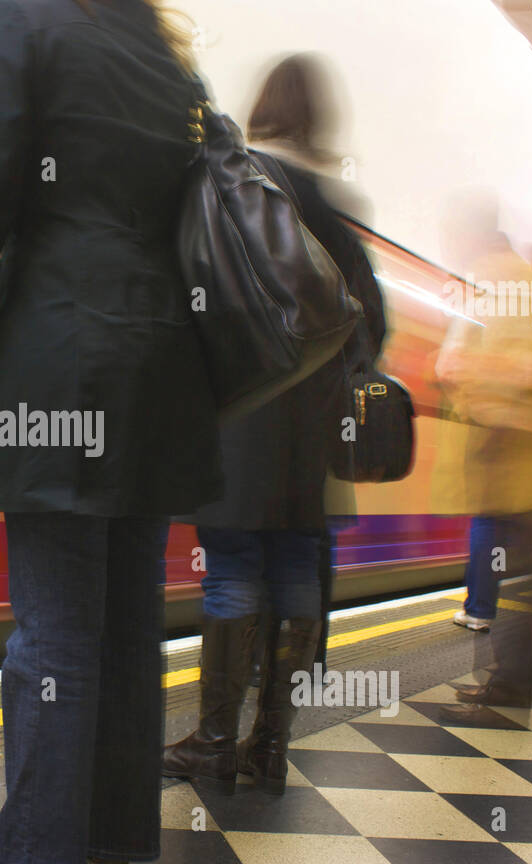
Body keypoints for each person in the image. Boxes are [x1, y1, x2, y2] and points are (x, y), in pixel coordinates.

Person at [0, 0, 221, 863]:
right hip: (162, 369)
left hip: (63, 353)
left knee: (55, 635)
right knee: (126, 633)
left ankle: (32, 854)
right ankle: (120, 847)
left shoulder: (31, 20)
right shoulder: (168, 52)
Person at [162, 53, 387, 795]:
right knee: (294, 569)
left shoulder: (240, 180)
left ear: (262, 108)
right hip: (313, 435)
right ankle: (271, 746)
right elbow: (369, 328)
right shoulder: (338, 205)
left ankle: (215, 740)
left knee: (231, 569)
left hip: (246, 417)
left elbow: (203, 291)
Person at [431, 193, 532, 723]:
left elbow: (522, 373)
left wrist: (460, 369)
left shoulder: (508, 286)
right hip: (520, 467)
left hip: (515, 464)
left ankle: (510, 688)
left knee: (514, 584)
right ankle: (507, 681)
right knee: (516, 583)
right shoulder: (515, 285)